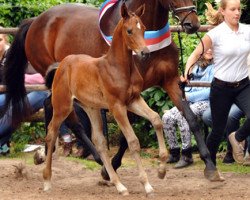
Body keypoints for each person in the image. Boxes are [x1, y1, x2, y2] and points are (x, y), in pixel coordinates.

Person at [183, 0, 250, 166]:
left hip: (243, 85)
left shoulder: (247, 31)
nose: (237, 13)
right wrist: (186, 73)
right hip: (221, 88)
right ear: (222, 11)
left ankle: (237, 137)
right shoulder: (215, 34)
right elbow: (194, 55)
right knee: (218, 131)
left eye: (239, 9)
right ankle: (210, 163)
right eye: (232, 9)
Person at [162, 49, 214, 168]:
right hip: (190, 100)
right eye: (208, 48)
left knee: (183, 116)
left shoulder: (216, 68)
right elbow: (187, 86)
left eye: (213, 48)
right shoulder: (194, 66)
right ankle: (174, 152)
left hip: (205, 102)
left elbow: (210, 91)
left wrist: (189, 97)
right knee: (167, 117)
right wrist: (183, 90)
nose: (210, 50)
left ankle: (187, 154)